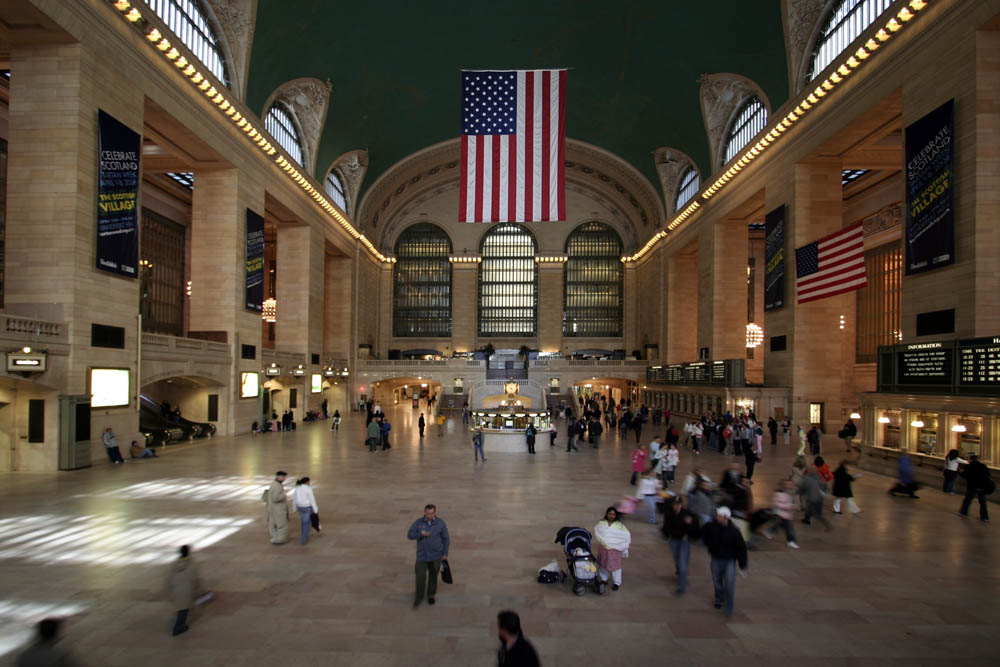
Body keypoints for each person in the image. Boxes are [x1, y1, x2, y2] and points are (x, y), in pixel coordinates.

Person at [701, 506, 748, 616]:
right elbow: (703, 532)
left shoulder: (735, 531)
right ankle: (719, 599)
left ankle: (730, 606)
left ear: (725, 518)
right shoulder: (711, 526)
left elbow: (741, 548)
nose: (717, 517)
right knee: (717, 582)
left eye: (719, 516)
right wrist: (709, 544)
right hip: (716, 559)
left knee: (730, 584)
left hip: (729, 561)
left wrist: (743, 565)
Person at [407, 504, 449, 607]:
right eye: (427, 513)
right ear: (424, 512)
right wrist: (420, 534)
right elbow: (410, 535)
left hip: (436, 555)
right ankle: (419, 596)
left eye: (431, 513)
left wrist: (445, 554)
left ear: (435, 513)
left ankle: (431, 595)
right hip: (422, 556)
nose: (429, 515)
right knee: (420, 576)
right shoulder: (418, 523)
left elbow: (446, 539)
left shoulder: (440, 523)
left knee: (433, 576)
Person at [662, 495, 700, 594]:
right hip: (673, 540)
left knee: (683, 563)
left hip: (684, 541)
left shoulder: (687, 513)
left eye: (678, 504)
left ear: (681, 505)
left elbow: (695, 524)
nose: (677, 506)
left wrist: (689, 523)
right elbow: (666, 526)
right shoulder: (669, 513)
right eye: (675, 504)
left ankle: (681, 586)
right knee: (677, 559)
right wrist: (667, 535)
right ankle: (680, 572)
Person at [165, 545, 204, 636]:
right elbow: (195, 580)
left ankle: (179, 625)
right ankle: (178, 628)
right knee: (184, 610)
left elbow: (168, 579)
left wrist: (169, 591)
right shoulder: (191, 566)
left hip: (176, 591)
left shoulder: (173, 565)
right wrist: (199, 591)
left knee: (181, 608)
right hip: (186, 592)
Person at [594, 506, 630, 591]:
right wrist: (605, 541)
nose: (611, 516)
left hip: (615, 549)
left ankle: (617, 582)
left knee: (616, 566)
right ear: (607, 514)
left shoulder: (620, 525)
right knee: (603, 564)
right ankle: (604, 579)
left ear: (616, 515)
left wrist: (614, 543)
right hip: (603, 547)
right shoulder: (601, 523)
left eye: (613, 514)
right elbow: (597, 532)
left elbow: (625, 536)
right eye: (610, 514)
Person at [762, 480, 799, 548]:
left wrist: (794, 506)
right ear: (784, 485)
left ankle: (769, 531)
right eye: (788, 484)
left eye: (791, 484)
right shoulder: (779, 493)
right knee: (789, 528)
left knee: (780, 524)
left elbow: (793, 502)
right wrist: (788, 506)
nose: (791, 486)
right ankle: (791, 541)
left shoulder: (791, 493)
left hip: (788, 514)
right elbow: (776, 503)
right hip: (780, 514)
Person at [958, 453, 992, 522]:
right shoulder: (983, 466)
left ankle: (964, 511)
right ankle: (984, 517)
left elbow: (965, 475)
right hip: (982, 486)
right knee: (983, 502)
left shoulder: (969, 466)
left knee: (968, 499)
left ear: (970, 459)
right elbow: (988, 474)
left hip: (972, 486)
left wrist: (960, 472)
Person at [264, 471, 289, 544]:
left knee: (273, 525)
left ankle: (274, 538)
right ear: (279, 477)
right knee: (282, 525)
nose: (285, 479)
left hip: (272, 508)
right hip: (278, 509)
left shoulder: (274, 484)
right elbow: (276, 498)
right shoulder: (277, 486)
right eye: (284, 477)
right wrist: (284, 494)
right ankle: (279, 539)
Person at [292, 477, 319, 544]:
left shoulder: (297, 488)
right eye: (309, 482)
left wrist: (294, 508)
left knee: (304, 521)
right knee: (305, 523)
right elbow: (312, 499)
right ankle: (303, 539)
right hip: (307, 507)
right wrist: (315, 509)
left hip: (300, 507)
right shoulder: (308, 489)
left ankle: (304, 535)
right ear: (307, 482)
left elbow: (294, 499)